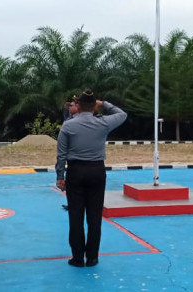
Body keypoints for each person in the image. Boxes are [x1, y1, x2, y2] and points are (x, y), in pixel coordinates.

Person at [55, 89, 128, 267]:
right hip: (96, 171)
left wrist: (60, 175)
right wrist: (104, 104)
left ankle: (78, 258)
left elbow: (61, 154)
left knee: (76, 217)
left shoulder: (68, 125)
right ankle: (93, 257)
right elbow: (122, 114)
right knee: (94, 217)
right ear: (94, 107)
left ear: (78, 106)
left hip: (75, 172)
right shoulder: (103, 123)